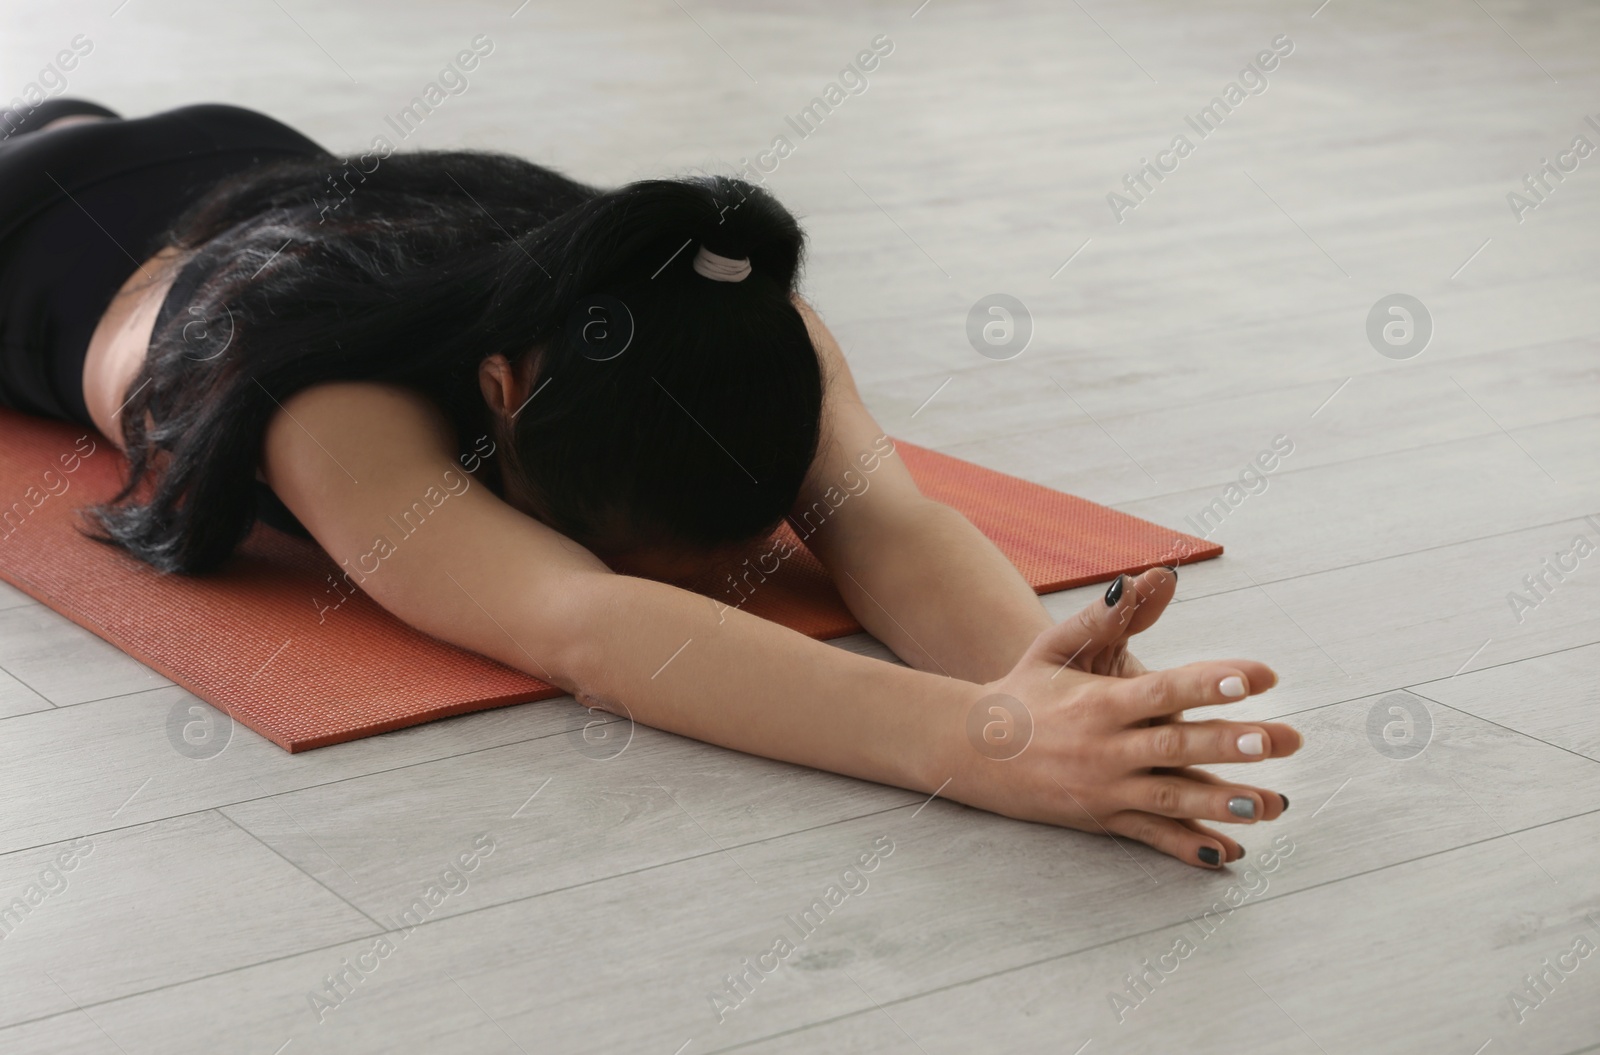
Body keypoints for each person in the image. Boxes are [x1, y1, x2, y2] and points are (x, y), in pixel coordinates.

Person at [0, 100, 1300, 868]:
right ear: (499, 398)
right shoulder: (326, 407)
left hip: (263, 163)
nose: (712, 588)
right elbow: (589, 627)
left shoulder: (729, 319)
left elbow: (881, 522)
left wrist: (1060, 683)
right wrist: (987, 752)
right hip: (42, 229)